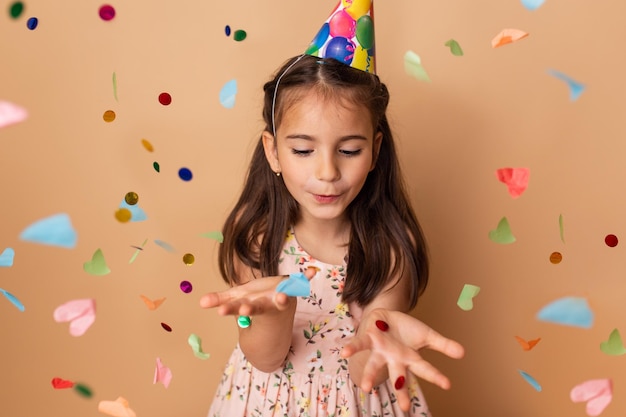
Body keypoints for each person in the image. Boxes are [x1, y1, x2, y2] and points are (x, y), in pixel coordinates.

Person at [199, 53, 464, 416]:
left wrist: (377, 335)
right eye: (303, 150)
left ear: (375, 151)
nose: (327, 171)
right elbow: (266, 359)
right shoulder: (258, 238)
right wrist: (277, 312)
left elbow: (364, 373)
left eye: (350, 150)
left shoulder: (388, 248)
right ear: (273, 151)